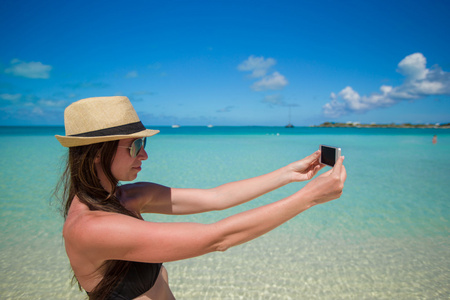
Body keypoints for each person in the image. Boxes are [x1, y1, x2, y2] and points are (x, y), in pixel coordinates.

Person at [55, 96, 346, 300]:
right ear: (95, 154)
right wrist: (309, 198)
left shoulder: (126, 196)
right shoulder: (92, 227)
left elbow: (216, 197)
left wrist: (290, 174)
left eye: (143, 143)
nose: (144, 154)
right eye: (134, 146)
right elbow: (217, 239)